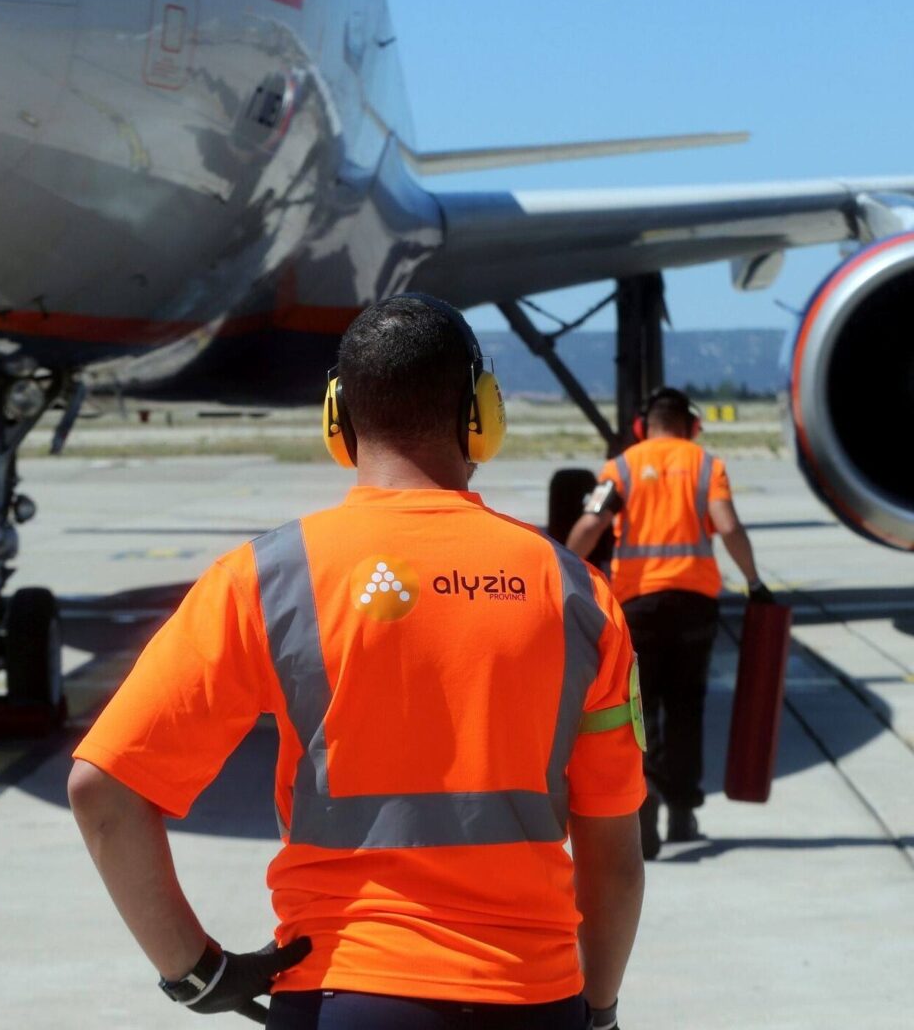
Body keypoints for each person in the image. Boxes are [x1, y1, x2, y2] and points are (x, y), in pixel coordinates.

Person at [70, 295, 645, 1030]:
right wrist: (599, 1011)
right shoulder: (578, 594)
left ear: (336, 418)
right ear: (482, 412)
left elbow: (104, 794)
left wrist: (195, 971)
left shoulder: (267, 577)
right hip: (530, 996)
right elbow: (613, 857)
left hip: (341, 992)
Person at [565, 386, 772, 859]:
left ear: (643, 426)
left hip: (637, 606)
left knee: (641, 710)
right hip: (694, 605)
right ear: (691, 425)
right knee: (687, 708)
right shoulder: (706, 465)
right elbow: (728, 525)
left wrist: (561, 573)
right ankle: (683, 810)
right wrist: (754, 580)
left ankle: (647, 801)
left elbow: (591, 525)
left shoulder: (621, 467)